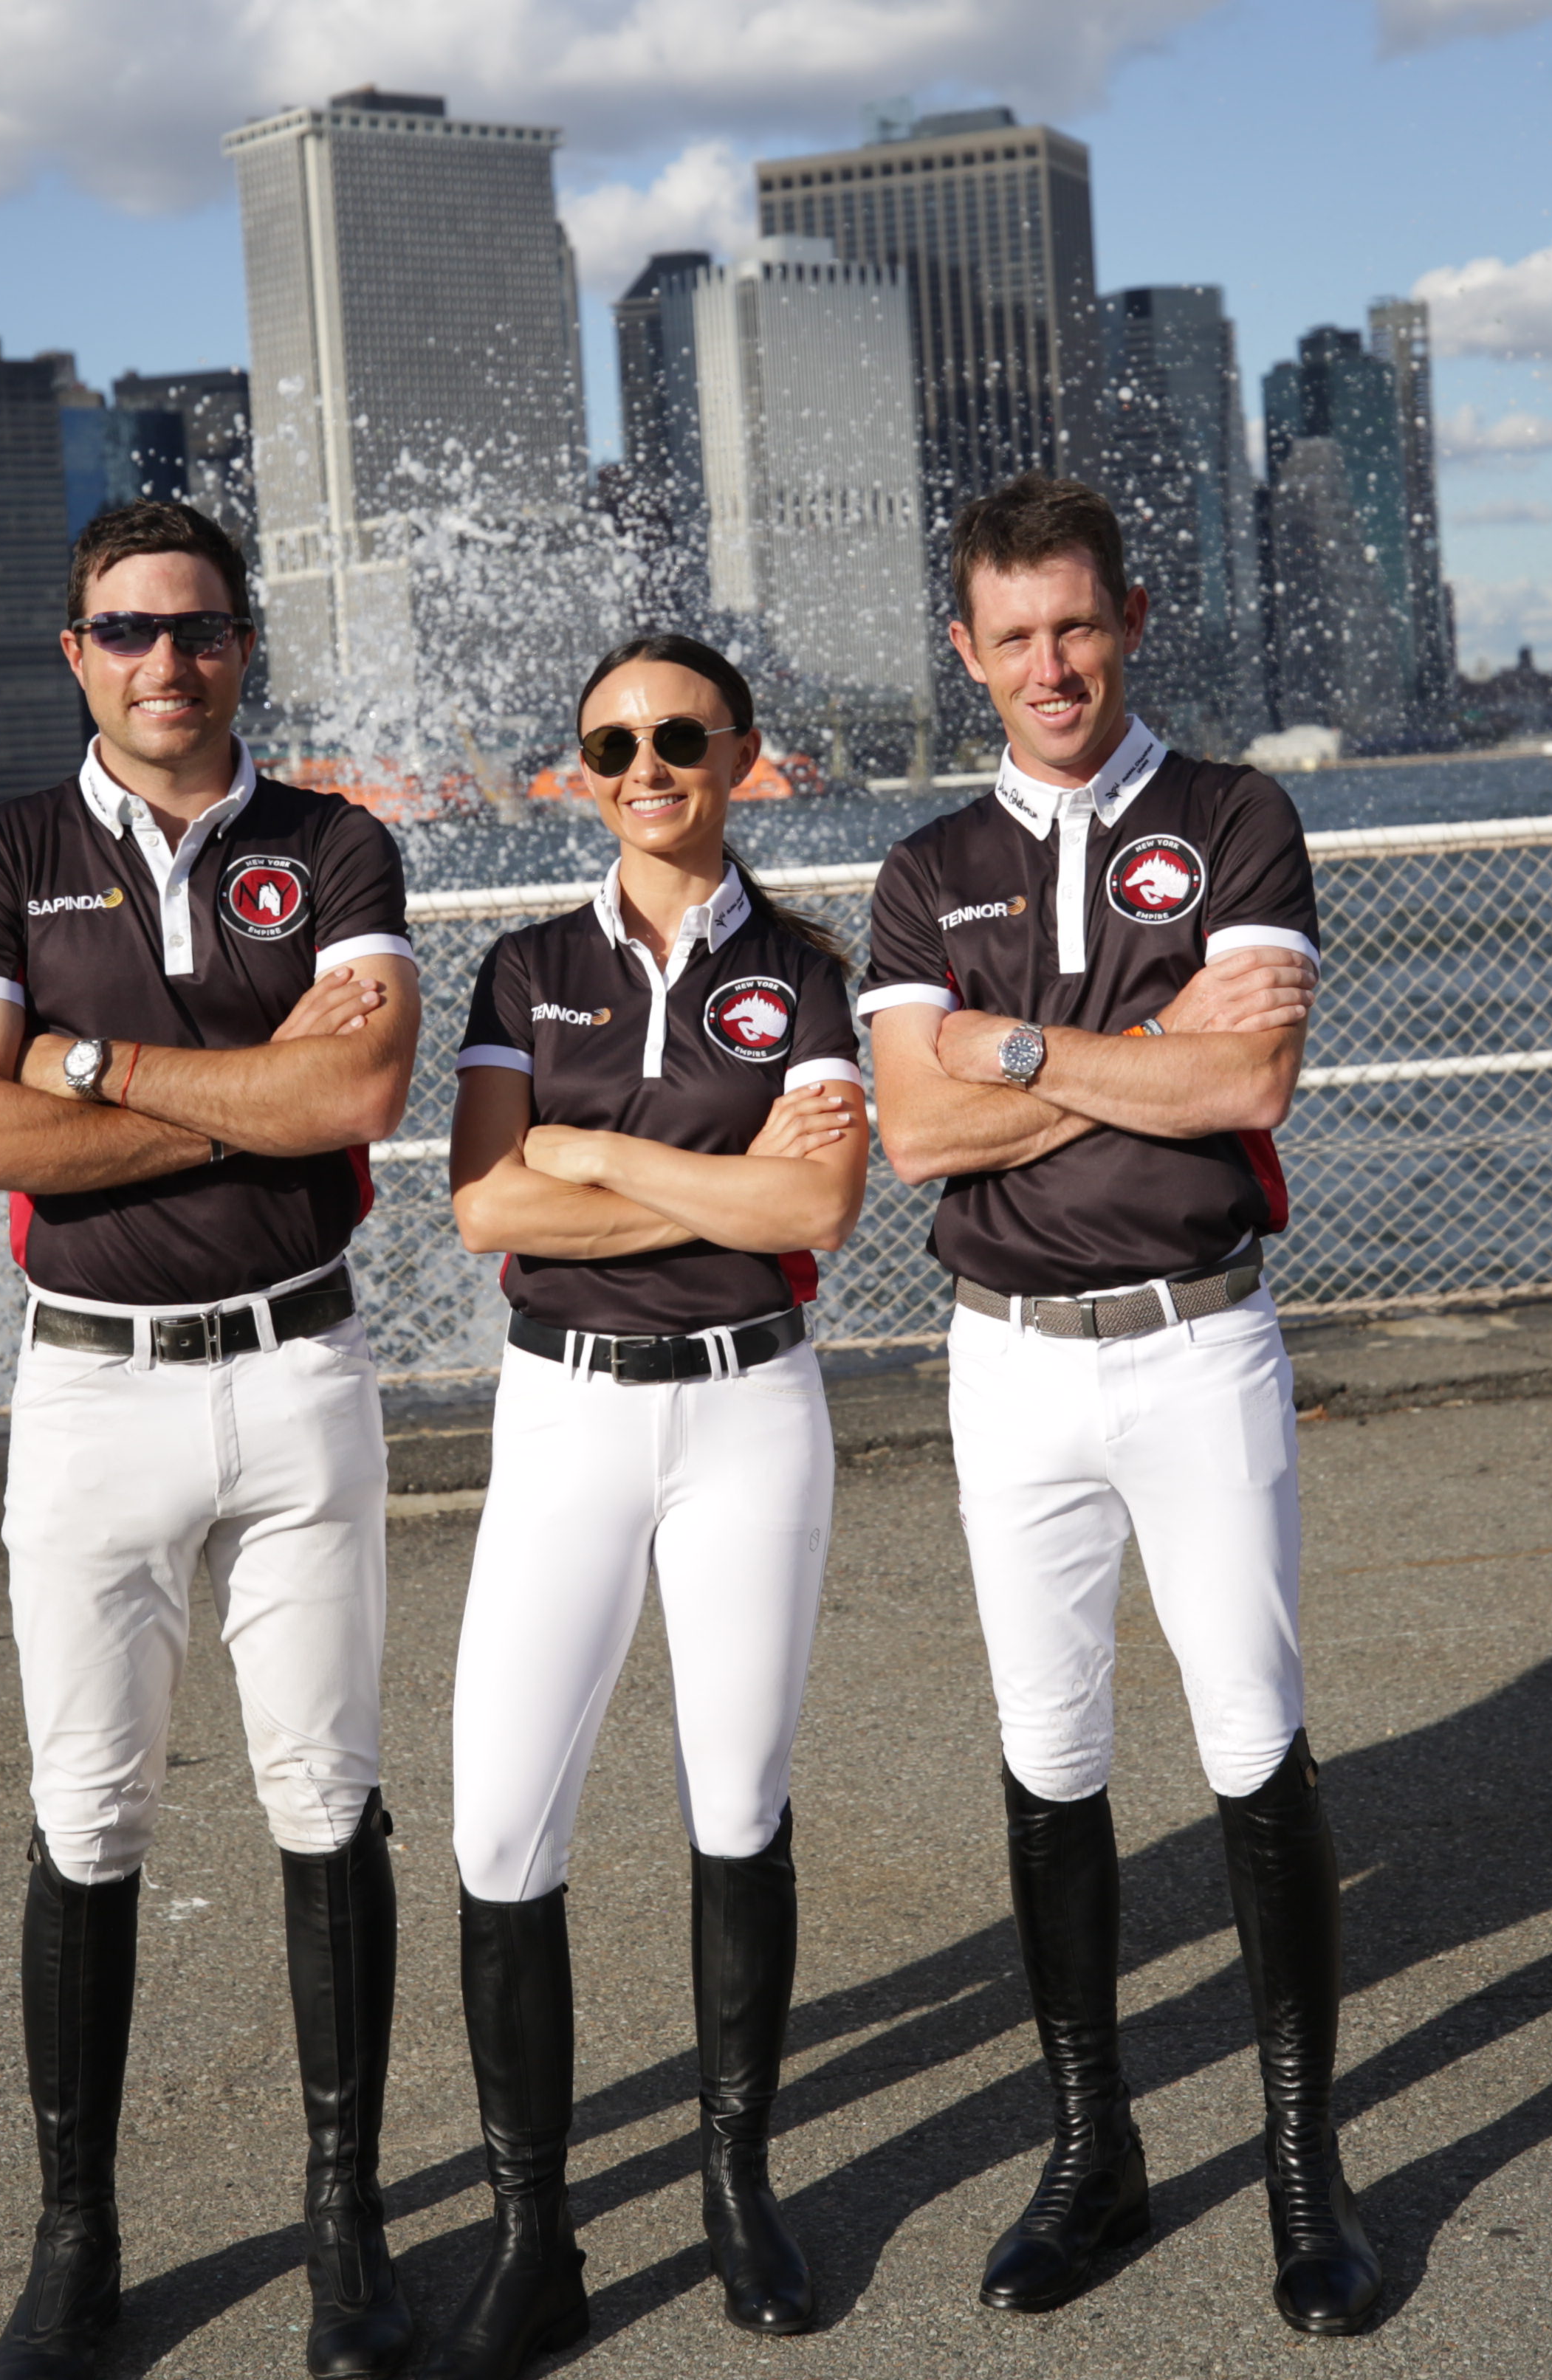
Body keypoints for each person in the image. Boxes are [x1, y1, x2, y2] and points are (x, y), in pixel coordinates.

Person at [858, 475, 1384, 2336]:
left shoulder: (1236, 814)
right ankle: (1099, 2151)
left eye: (1076, 624)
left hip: (1198, 1340)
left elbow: (1255, 1077)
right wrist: (1131, 1063)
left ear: (1132, 618)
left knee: (1254, 1740)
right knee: (1051, 1752)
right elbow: (915, 1131)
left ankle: (1310, 2172)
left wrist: (1011, 1046)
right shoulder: (927, 869)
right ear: (968, 651)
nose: (1050, 663)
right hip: (1005, 1358)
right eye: (1013, 636)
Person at [0, 499, 425, 2380]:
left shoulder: (336, 841)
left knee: (324, 1793)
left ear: (243, 645)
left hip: (299, 1373)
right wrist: (253, 1103)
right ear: (77, 654)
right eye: (126, 631)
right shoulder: (3, 857)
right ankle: (78, 2240)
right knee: (90, 1811)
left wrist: (102, 1068)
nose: (165, 662)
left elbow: (362, 1084)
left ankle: (351, 2233)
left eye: (198, 630)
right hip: (92, 1387)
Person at [426, 633, 873, 2372]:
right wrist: (713, 1182)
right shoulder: (521, 972)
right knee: (495, 1829)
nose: (646, 764)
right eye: (613, 742)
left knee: (737, 1803)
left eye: (681, 734)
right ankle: (535, 2240)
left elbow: (818, 1205)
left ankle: (735, 2188)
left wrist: (592, 1158)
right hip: (567, 1419)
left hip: (754, 1413)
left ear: (744, 753)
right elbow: (482, 1215)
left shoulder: (812, 969)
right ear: (582, 769)